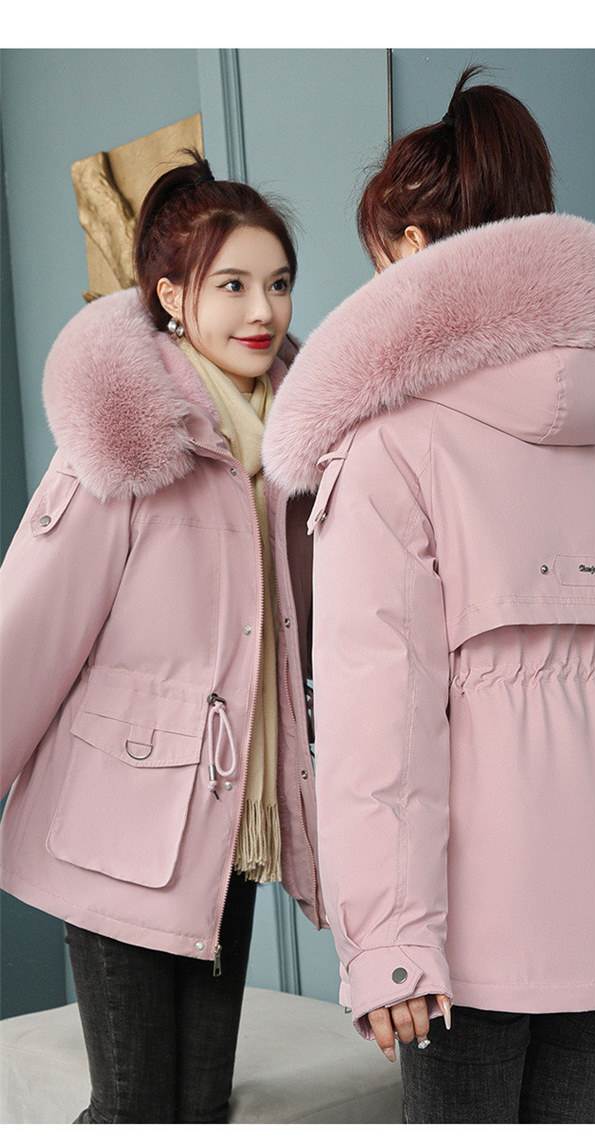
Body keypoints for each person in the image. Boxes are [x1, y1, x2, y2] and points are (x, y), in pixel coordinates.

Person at [262, 67, 595, 1124]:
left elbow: (377, 720)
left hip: (470, 917)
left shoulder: (387, 449)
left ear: (413, 252)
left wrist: (389, 943)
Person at [0, 148, 327, 1123]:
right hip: (119, 821)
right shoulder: (127, 439)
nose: (262, 310)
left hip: (232, 820)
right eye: (232, 285)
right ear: (171, 297)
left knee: (201, 1105)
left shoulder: (300, 453)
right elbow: (29, 630)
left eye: (278, 283)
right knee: (138, 1109)